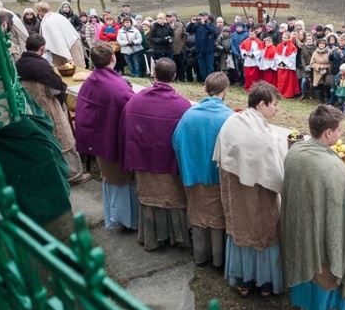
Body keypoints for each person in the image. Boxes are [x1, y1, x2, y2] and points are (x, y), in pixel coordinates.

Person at [281, 105, 345, 310]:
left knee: (305, 264)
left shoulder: (294, 152)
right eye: (339, 131)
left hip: (298, 232)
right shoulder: (336, 168)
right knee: (325, 264)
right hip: (322, 243)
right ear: (328, 133)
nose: (340, 134)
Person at [213, 81, 287, 298]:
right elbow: (276, 176)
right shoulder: (262, 137)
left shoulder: (234, 120)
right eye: (274, 104)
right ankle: (265, 284)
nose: (277, 108)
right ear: (261, 104)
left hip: (235, 192)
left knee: (242, 232)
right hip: (257, 195)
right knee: (263, 234)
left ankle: (244, 280)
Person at [119, 58, 192, 251]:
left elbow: (124, 130)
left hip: (144, 160)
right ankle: (177, 236)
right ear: (174, 76)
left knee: (151, 197)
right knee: (172, 198)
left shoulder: (136, 100)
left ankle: (151, 238)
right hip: (169, 164)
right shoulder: (183, 106)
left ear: (154, 75)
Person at [74, 43, 138, 230]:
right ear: (113, 58)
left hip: (99, 140)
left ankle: (115, 217)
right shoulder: (118, 87)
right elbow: (130, 111)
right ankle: (127, 221)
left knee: (109, 178)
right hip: (115, 142)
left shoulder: (90, 81)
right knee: (121, 181)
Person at [173, 72, 233, 266]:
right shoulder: (229, 117)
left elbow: (176, 141)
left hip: (193, 174)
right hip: (217, 177)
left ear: (205, 89)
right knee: (218, 218)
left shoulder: (189, 114)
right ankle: (219, 258)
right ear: (225, 91)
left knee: (199, 215)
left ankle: (200, 254)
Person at [15, 34, 90, 186]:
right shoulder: (42, 66)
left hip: (31, 108)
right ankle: (73, 175)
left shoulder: (19, 63)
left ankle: (53, 170)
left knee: (44, 140)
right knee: (64, 138)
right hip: (48, 107)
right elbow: (55, 89)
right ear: (42, 48)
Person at [35, 2, 86, 68]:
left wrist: (64, 55)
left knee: (74, 67)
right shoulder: (57, 16)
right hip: (72, 42)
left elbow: (56, 39)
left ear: (41, 11)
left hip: (70, 44)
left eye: (38, 11)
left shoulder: (48, 21)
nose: (38, 13)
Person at [186, 12, 217, 81]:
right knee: (202, 67)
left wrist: (204, 24)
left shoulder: (210, 25)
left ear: (206, 17)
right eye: (200, 16)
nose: (201, 17)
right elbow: (188, 30)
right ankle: (205, 80)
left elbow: (212, 31)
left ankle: (210, 80)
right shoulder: (197, 26)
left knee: (209, 66)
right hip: (199, 50)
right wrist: (191, 23)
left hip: (208, 50)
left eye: (202, 16)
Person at [276, 31, 301, 98]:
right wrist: (280, 62)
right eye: (283, 37)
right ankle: (280, 92)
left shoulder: (292, 47)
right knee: (280, 80)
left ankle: (288, 93)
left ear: (289, 38)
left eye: (286, 38)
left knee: (288, 81)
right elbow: (277, 55)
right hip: (280, 65)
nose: (284, 39)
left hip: (288, 66)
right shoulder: (279, 45)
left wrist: (284, 63)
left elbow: (292, 57)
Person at [240, 26, 265, 91]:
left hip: (255, 61)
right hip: (247, 61)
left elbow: (261, 51)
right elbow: (242, 49)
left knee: (254, 76)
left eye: (252, 34)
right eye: (250, 34)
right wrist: (245, 53)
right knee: (247, 75)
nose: (251, 35)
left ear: (255, 34)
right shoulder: (245, 41)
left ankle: (254, 88)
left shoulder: (259, 42)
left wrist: (253, 54)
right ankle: (248, 87)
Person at [166, 11, 189, 82]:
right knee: (171, 65)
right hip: (169, 49)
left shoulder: (180, 25)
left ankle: (182, 78)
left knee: (180, 65)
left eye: (171, 16)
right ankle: (173, 78)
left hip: (179, 49)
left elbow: (184, 35)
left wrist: (182, 44)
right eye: (168, 16)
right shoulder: (166, 26)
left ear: (175, 17)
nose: (169, 18)